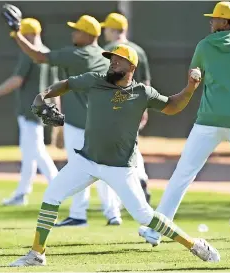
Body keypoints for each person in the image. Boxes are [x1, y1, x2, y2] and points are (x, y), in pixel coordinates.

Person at [8, 44, 220, 267]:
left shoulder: (141, 93)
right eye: (111, 59)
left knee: (145, 216)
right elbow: (67, 84)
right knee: (51, 196)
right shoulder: (95, 80)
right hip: (86, 160)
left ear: (132, 66)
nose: (113, 63)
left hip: (120, 167)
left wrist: (190, 88)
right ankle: (37, 253)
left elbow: (172, 106)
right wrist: (44, 94)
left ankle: (194, 244)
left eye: (118, 60)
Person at [139, 1, 230, 246]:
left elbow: (195, 75)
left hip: (209, 120)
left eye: (215, 18)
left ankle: (155, 231)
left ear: (226, 22)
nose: (210, 21)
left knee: (183, 174)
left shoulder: (205, 45)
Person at [10, 14, 124, 226]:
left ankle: (79, 214)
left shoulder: (78, 54)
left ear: (88, 35)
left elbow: (39, 55)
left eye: (77, 30)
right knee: (102, 168)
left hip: (80, 123)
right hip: (102, 122)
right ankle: (112, 213)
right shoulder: (104, 55)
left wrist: (16, 34)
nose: (73, 32)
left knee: (79, 167)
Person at [0, 18, 58, 206]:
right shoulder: (48, 55)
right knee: (29, 153)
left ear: (28, 35)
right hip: (43, 110)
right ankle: (22, 193)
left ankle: (58, 188)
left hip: (30, 110)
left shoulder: (29, 55)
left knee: (37, 151)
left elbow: (16, 80)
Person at [101, 12, 152, 204]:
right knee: (131, 144)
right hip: (135, 103)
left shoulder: (108, 50)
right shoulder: (138, 50)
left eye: (106, 28)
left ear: (113, 30)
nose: (105, 31)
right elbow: (146, 82)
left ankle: (119, 198)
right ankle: (141, 178)